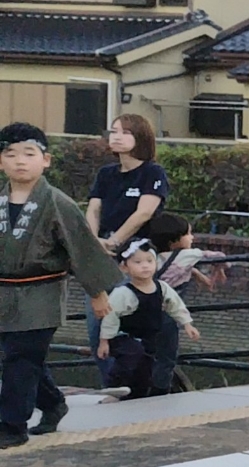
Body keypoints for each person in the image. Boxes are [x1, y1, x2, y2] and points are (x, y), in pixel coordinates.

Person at [0, 123, 119, 448]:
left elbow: (82, 248)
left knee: (21, 358)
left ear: (46, 160)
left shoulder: (58, 202)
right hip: (4, 293)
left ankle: (12, 425)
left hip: (41, 293)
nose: (20, 161)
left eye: (29, 154)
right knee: (21, 358)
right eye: (10, 154)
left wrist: (97, 293)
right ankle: (53, 403)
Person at [96, 239, 197, 399]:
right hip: (122, 335)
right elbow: (110, 316)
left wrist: (187, 324)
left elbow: (176, 305)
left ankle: (137, 394)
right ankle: (114, 383)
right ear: (124, 267)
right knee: (132, 354)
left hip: (148, 335)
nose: (145, 266)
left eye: (149, 261)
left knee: (146, 365)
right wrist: (104, 341)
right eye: (138, 262)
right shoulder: (122, 293)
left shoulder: (162, 287)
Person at [85, 112, 168, 255]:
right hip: (101, 243)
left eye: (126, 132)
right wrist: (94, 241)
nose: (117, 137)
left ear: (141, 137)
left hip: (138, 247)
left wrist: (114, 241)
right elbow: (94, 209)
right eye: (114, 132)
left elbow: (144, 213)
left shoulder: (153, 172)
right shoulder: (105, 173)